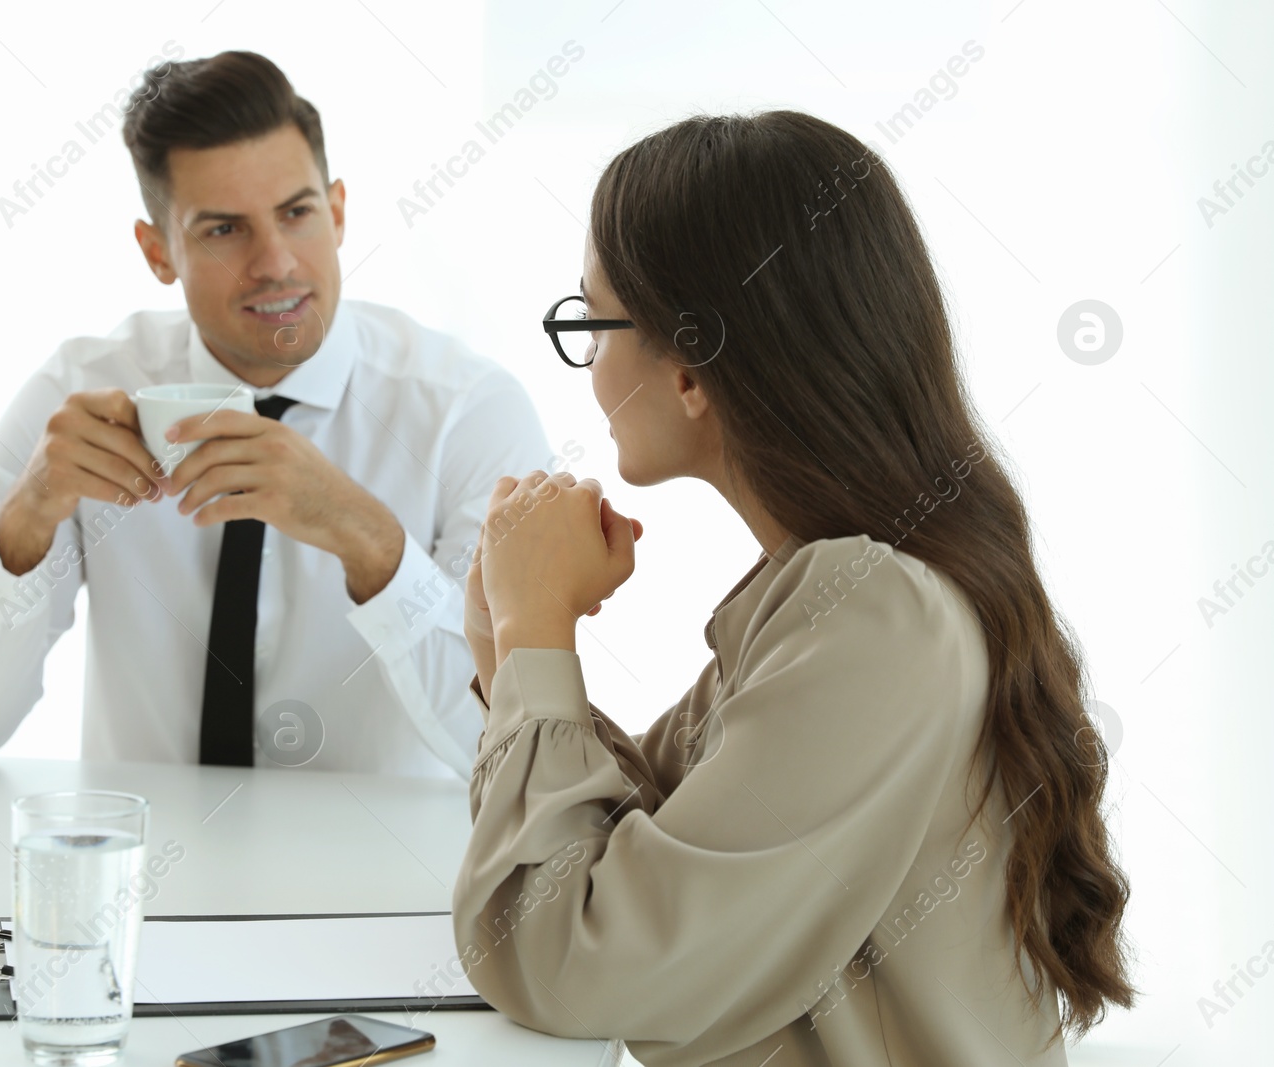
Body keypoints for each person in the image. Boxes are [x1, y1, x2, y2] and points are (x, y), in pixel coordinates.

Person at [451, 111, 1134, 1065]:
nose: (590, 366)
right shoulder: (826, 591)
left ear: (688, 369)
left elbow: (562, 956)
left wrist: (538, 629)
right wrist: (507, 641)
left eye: (593, 322)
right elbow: (636, 843)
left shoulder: (876, 615)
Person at [0, 51, 551, 777]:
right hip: (143, 882)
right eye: (223, 230)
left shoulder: (469, 414)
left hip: (389, 888)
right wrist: (24, 523)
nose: (275, 261)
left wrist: (369, 540)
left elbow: (509, 747)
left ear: (337, 213)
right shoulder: (76, 400)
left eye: (297, 213)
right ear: (159, 252)